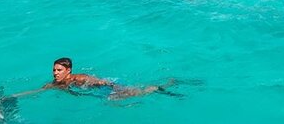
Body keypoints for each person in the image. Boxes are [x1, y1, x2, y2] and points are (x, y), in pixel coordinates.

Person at [10, 57, 178, 101]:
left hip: (108, 87)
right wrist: (12, 97)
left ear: (68, 71)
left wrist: (116, 88)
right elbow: (37, 91)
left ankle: (158, 87)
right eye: (54, 70)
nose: (55, 73)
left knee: (132, 95)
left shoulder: (78, 78)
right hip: (101, 90)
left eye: (59, 70)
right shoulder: (55, 84)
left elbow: (99, 81)